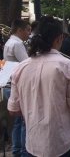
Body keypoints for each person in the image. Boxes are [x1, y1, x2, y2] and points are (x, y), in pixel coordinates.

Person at [7, 16, 70, 157]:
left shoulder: (19, 68)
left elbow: (13, 111)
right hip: (62, 142)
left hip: (33, 143)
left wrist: (34, 110)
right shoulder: (68, 66)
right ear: (59, 38)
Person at [3, 19, 31, 157]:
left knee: (17, 122)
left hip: (9, 84)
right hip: (17, 86)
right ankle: (23, 151)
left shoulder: (9, 42)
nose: (29, 33)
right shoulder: (18, 44)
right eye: (27, 30)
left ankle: (16, 150)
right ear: (19, 30)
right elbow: (26, 64)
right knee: (24, 121)